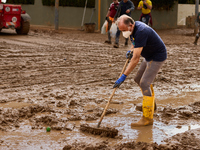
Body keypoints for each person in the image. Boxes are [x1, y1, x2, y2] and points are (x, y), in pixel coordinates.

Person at [113, 15, 167, 127]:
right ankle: (151, 105)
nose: (123, 33)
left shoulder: (141, 31)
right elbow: (135, 42)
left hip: (157, 56)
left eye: (124, 30)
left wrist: (123, 76)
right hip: (149, 56)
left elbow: (135, 60)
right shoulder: (133, 28)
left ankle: (147, 118)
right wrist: (131, 50)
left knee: (144, 82)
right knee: (138, 79)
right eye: (121, 30)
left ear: (131, 25)